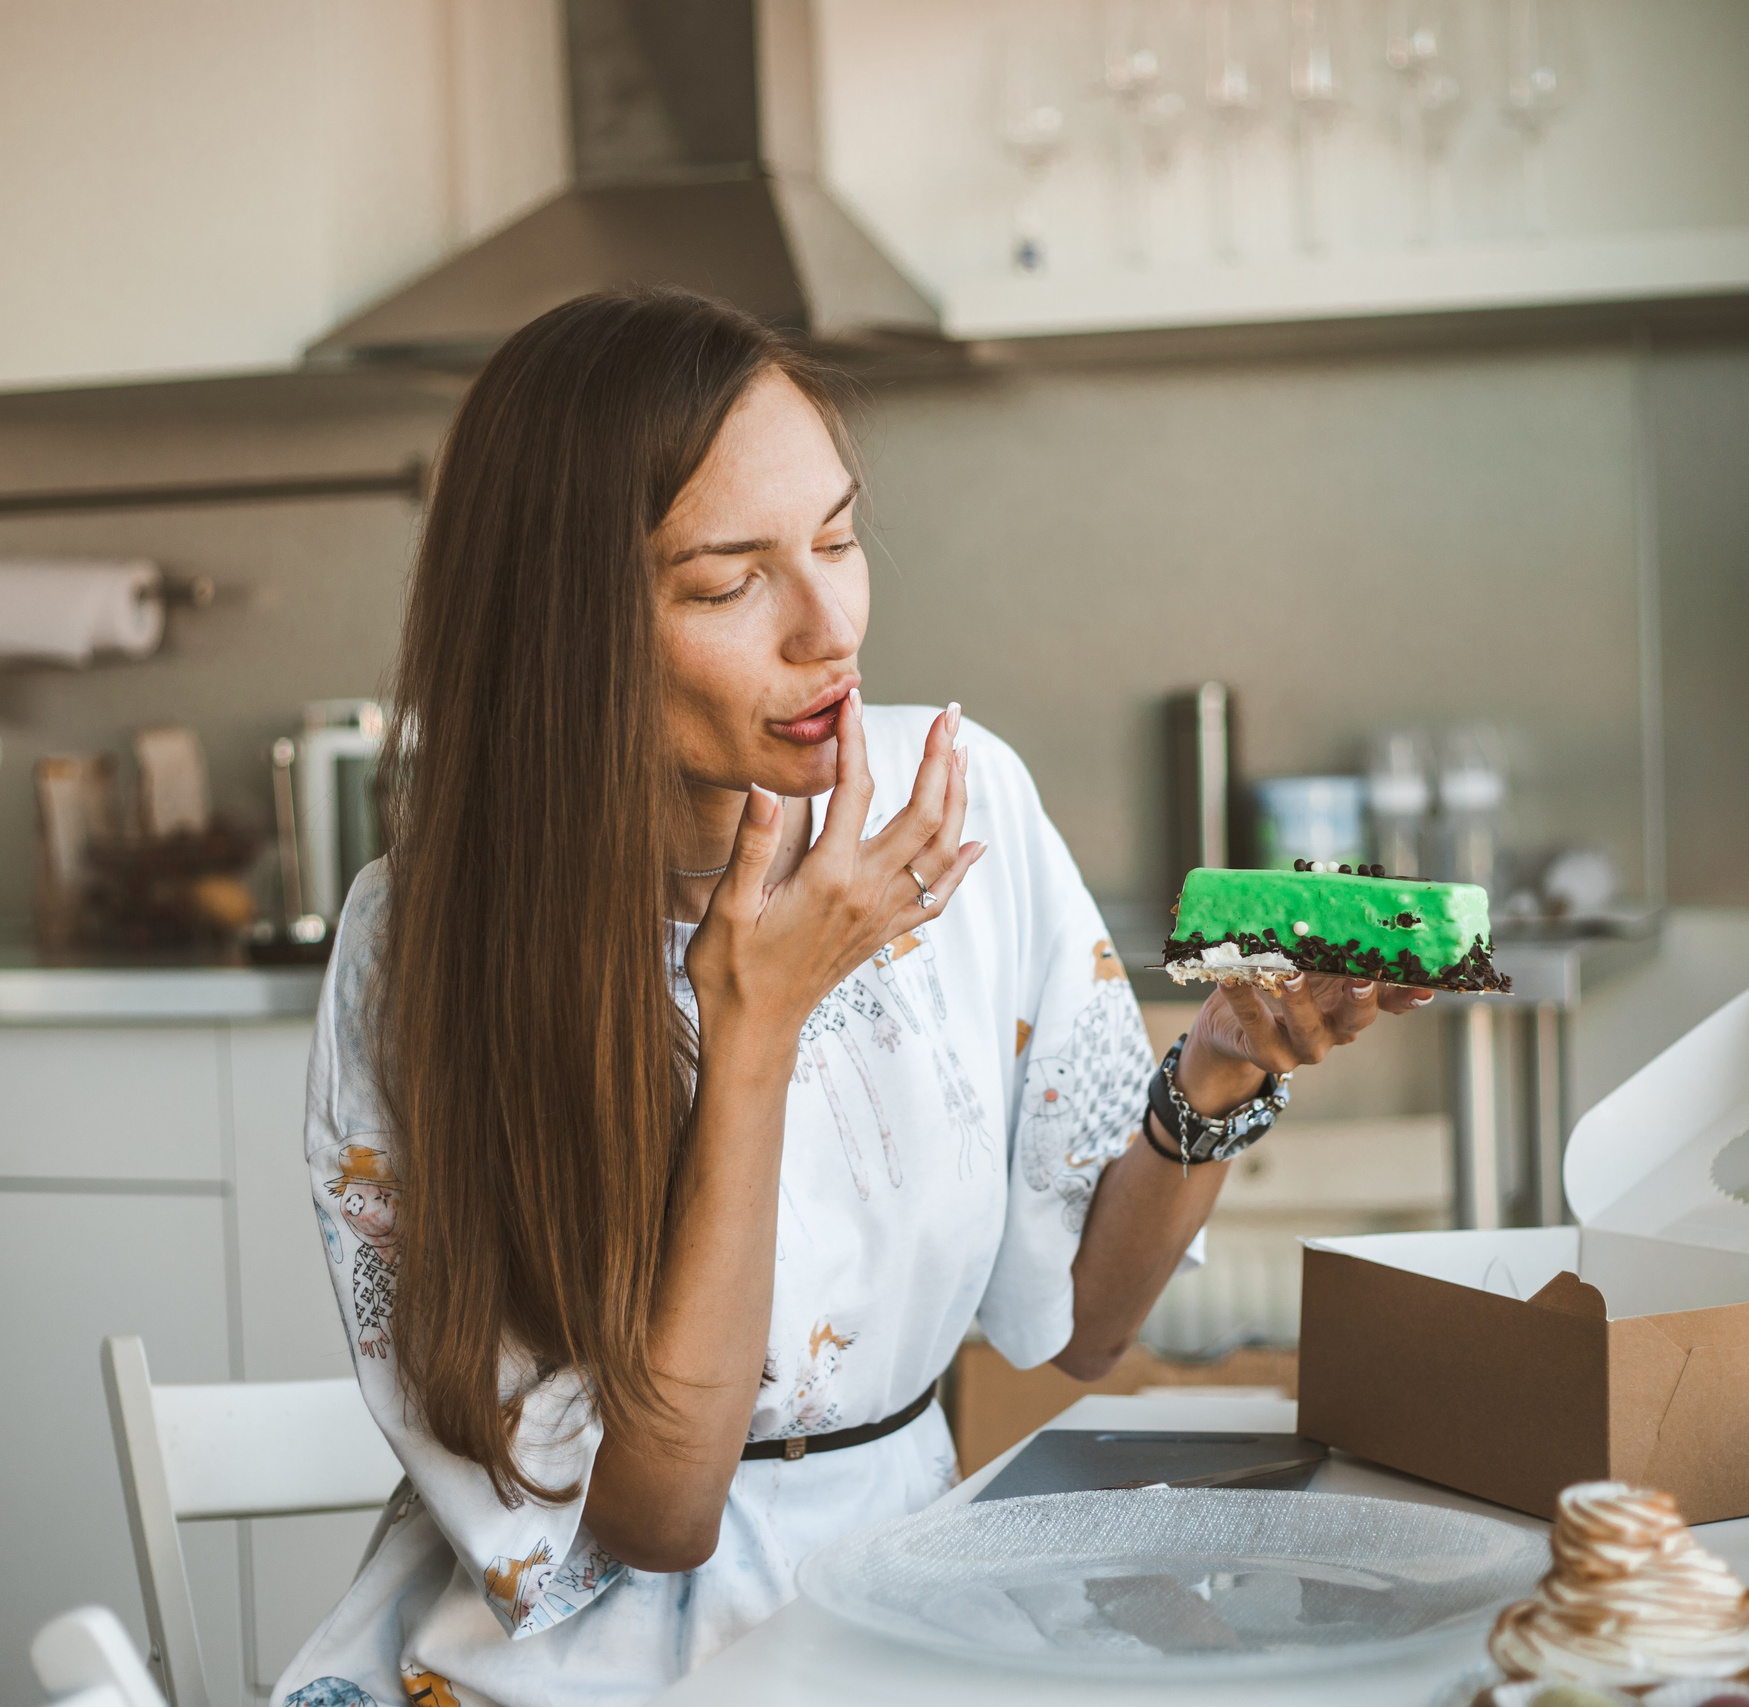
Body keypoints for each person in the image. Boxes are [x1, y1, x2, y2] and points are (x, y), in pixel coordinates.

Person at [275, 288, 1429, 1707]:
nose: (830, 628)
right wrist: (758, 1020)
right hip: (575, 1669)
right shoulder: (419, 945)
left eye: (835, 539)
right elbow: (659, 1518)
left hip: (908, 1607)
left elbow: (1084, 1326)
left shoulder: (962, 801)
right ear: (565, 631)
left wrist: (1220, 1065)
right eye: (728, 584)